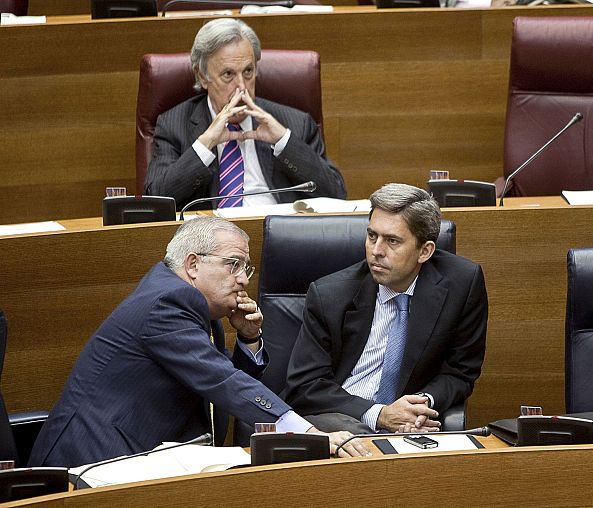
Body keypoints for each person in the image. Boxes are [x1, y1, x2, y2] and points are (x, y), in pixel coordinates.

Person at [28, 217, 367, 468]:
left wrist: (248, 340)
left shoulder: (197, 306)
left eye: (246, 268)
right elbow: (223, 381)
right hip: (91, 459)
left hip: (142, 455)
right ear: (192, 264)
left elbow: (214, 376)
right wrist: (306, 431)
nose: (241, 279)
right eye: (232, 265)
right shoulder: (167, 303)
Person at [282, 183, 488, 434]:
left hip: (410, 425)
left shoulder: (462, 283)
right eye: (372, 236)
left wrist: (420, 405)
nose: (376, 251)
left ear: (425, 251)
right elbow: (305, 386)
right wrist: (379, 415)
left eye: (392, 241)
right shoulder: (330, 295)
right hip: (342, 418)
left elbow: (460, 372)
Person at [144, 18, 345, 212]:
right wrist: (205, 144)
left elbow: (336, 194)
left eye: (248, 71)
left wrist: (283, 141)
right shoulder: (174, 125)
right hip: (213, 238)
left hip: (279, 233)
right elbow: (157, 201)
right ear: (202, 76)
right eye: (228, 74)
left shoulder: (295, 123)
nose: (241, 86)